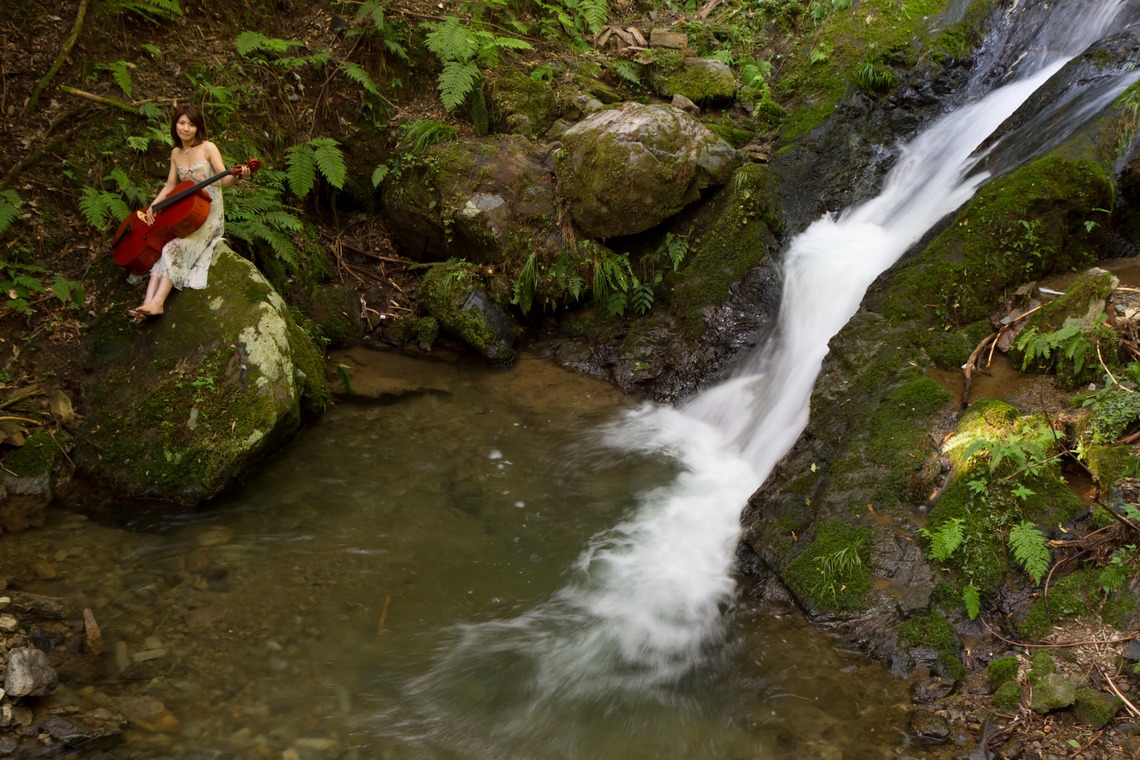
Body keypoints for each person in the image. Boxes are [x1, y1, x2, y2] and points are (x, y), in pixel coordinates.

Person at [130, 104, 249, 318]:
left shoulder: (208, 148)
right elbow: (170, 185)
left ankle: (158, 302)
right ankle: (146, 304)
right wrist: (153, 206)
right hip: (187, 211)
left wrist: (239, 174)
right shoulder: (176, 152)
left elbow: (225, 180)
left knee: (172, 248)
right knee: (162, 247)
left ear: (198, 128)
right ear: (175, 124)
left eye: (191, 124)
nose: (186, 128)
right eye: (182, 123)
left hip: (209, 213)